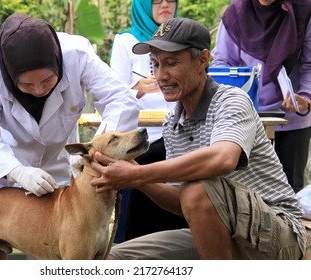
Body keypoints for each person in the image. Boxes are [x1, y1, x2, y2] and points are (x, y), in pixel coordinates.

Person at [90, 18, 307, 259]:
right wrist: (135, 177)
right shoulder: (172, 123)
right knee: (111, 260)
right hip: (220, 233)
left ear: (203, 60)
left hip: (279, 235)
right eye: (155, 65)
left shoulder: (232, 101)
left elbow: (223, 159)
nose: (161, 75)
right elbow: (182, 202)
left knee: (197, 187)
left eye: (171, 63)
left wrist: (139, 173)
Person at [0, 13, 140, 219]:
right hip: (2, 169)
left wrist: (95, 152)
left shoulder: (77, 55)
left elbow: (121, 99)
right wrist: (16, 171)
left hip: (58, 165)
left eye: (48, 80)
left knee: (51, 241)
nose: (39, 90)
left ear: (57, 63)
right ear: (10, 76)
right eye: (27, 85)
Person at [211, 0, 311, 193]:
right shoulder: (236, 13)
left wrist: (305, 97)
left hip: (293, 118)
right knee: (246, 192)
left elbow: (310, 63)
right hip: (247, 118)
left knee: (290, 192)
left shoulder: (304, 10)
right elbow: (222, 62)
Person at [110, 0, 186, 240]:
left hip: (180, 136)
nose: (165, 5)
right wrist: (137, 88)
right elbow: (112, 94)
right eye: (156, 1)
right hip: (142, 139)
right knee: (138, 224)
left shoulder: (184, 40)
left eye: (170, 0)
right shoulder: (126, 42)